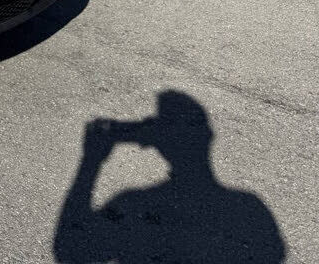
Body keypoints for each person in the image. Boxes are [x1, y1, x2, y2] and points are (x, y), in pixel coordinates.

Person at [54, 90, 285, 263]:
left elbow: (70, 250)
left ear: (156, 144)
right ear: (208, 135)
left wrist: (91, 161)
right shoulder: (248, 207)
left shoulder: (133, 203)